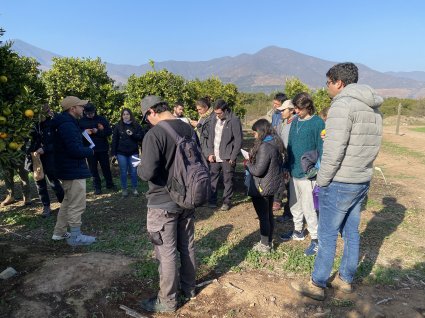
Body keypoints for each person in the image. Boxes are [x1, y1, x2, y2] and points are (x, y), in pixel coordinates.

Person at [291, 62, 383, 300]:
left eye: (328, 82)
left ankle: (317, 283)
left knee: (328, 233)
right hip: (361, 179)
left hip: (340, 181)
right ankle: (345, 280)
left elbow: (333, 150)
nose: (327, 87)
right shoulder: (373, 108)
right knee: (352, 232)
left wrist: (321, 180)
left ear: (339, 83)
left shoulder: (342, 105)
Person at [137, 95, 196, 313]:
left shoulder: (155, 134)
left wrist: (138, 168)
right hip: (187, 199)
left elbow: (148, 172)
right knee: (187, 246)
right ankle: (189, 289)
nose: (147, 122)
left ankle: (167, 301)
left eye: (146, 118)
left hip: (162, 202)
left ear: (152, 112)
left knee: (166, 252)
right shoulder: (189, 129)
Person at [280, 92, 325, 256]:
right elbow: (290, 146)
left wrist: (317, 170)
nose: (296, 112)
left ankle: (315, 239)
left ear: (307, 106)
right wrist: (286, 166)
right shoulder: (295, 122)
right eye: (295, 109)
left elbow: (321, 148)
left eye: (299, 109)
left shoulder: (318, 123)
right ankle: (298, 231)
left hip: (308, 174)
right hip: (293, 171)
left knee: (309, 207)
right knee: (295, 204)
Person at [51, 96, 96, 246]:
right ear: (72, 109)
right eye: (81, 106)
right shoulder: (67, 125)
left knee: (68, 201)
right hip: (73, 169)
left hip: (68, 168)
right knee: (77, 203)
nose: (83, 109)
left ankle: (59, 232)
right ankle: (75, 237)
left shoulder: (67, 123)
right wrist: (90, 151)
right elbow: (74, 150)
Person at [246, 119, 285, 253]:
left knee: (263, 216)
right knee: (268, 215)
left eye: (255, 132)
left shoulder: (265, 147)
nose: (254, 135)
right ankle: (268, 242)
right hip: (271, 184)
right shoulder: (275, 141)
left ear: (261, 131)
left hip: (262, 186)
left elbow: (258, 170)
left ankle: (264, 245)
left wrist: (247, 163)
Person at [26, 104, 64, 217]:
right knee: (39, 181)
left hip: (49, 156)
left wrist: (45, 148)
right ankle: (46, 206)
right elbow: (26, 142)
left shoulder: (52, 123)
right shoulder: (30, 125)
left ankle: (63, 201)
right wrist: (32, 151)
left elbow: (57, 142)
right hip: (35, 156)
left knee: (53, 179)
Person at [206, 99, 243, 211]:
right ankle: (212, 200)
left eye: (219, 113)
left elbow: (238, 140)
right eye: (215, 113)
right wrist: (210, 153)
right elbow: (211, 137)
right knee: (213, 178)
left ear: (225, 110)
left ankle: (226, 201)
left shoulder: (234, 120)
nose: (217, 115)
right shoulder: (213, 119)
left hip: (227, 156)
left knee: (228, 180)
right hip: (215, 155)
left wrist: (233, 156)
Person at [79, 102, 115, 195]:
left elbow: (109, 132)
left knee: (106, 167)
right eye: (88, 114)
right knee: (93, 169)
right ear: (85, 113)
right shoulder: (81, 121)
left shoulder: (101, 119)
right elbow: (77, 135)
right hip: (90, 150)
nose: (90, 115)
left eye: (91, 113)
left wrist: (98, 131)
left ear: (95, 111)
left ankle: (109, 184)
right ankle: (97, 187)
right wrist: (84, 132)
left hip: (102, 148)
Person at [111, 108, 144, 197]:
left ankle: (134, 188)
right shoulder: (118, 126)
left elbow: (141, 137)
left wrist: (132, 135)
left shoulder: (136, 125)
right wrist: (113, 153)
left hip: (134, 152)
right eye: (124, 114)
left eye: (127, 114)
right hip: (121, 153)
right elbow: (114, 140)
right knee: (123, 172)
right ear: (122, 116)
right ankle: (124, 189)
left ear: (130, 115)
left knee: (134, 171)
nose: (125, 116)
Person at [275, 100, 296, 224]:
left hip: (291, 161)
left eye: (284, 110)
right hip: (285, 160)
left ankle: (289, 213)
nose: (281, 112)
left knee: (290, 188)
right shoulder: (285, 123)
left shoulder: (295, 123)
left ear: (292, 110)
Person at [268, 93, 288, 212]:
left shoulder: (285, 116)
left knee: (283, 174)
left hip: (283, 148)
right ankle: (275, 198)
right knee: (275, 173)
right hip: (275, 146)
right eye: (274, 103)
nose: (275, 106)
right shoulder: (275, 115)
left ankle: (278, 200)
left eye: (277, 104)